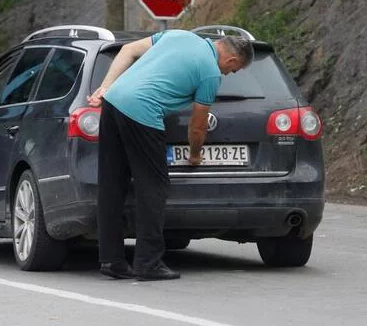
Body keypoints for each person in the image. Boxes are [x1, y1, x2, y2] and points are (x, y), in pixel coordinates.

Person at [87, 29, 254, 281]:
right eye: (232, 70)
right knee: (153, 187)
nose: (227, 73)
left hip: (112, 103)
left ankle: (112, 260)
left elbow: (127, 50)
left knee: (112, 184)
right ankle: (148, 263)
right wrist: (195, 155)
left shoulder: (178, 35)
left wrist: (105, 88)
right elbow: (198, 126)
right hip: (141, 112)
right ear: (231, 60)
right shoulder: (210, 72)